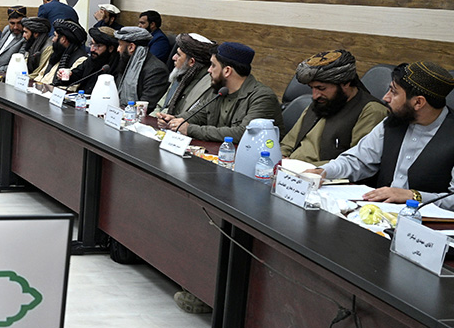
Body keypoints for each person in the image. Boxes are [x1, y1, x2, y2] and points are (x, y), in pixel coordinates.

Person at [312, 62, 454, 210]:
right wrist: (322, 172)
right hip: (378, 212)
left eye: (394, 92)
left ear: (418, 102)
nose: (386, 97)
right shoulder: (394, 121)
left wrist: (414, 196)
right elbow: (359, 160)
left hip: (425, 220)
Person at [281, 50, 389, 165]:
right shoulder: (321, 101)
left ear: (345, 83)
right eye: (312, 88)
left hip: (322, 173)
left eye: (321, 88)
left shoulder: (371, 111)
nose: (315, 95)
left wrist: (298, 167)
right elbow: (288, 144)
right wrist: (280, 158)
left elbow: (357, 162)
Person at [161, 42, 282, 141]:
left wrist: (190, 129)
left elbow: (243, 133)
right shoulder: (220, 90)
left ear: (227, 71)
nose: (209, 70)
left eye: (213, 65)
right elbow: (198, 114)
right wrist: (174, 120)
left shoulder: (262, 97)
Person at [156, 33, 216, 118]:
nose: (173, 57)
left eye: (178, 55)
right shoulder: (180, 74)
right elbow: (161, 106)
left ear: (191, 62)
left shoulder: (207, 85)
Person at [114, 26, 170, 106]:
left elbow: (147, 106)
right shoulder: (125, 63)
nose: (118, 49)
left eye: (120, 45)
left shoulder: (156, 70)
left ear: (131, 47)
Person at [34, 19, 88, 86]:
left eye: (55, 36)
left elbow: (70, 87)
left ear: (63, 39)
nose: (52, 39)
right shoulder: (57, 53)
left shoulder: (81, 59)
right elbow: (41, 76)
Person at [76, 26, 121, 94]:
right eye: (92, 44)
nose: (92, 49)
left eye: (98, 46)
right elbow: (77, 74)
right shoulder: (92, 59)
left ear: (110, 48)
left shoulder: (117, 66)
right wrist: (68, 74)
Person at [0, 6, 27, 75]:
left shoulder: (25, 38)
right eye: (12, 23)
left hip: (5, 73)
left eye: (19, 23)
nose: (15, 27)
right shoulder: (7, 29)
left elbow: (18, 64)